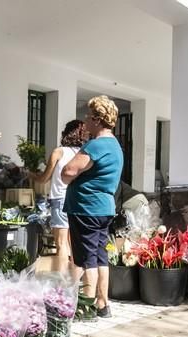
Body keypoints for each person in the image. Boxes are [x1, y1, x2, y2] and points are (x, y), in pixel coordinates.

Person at [62, 96, 123, 318]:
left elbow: (68, 170)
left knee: (86, 259)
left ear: (97, 119)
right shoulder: (115, 145)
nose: (86, 121)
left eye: (88, 116)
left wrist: (68, 178)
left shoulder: (96, 145)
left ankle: (85, 307)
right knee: (99, 257)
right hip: (104, 208)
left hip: (86, 208)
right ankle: (102, 304)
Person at [30, 120, 88, 272]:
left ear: (66, 133)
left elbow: (44, 178)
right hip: (79, 200)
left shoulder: (59, 152)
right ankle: (74, 280)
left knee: (61, 243)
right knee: (74, 243)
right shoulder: (85, 154)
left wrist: (31, 175)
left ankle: (61, 283)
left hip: (60, 199)